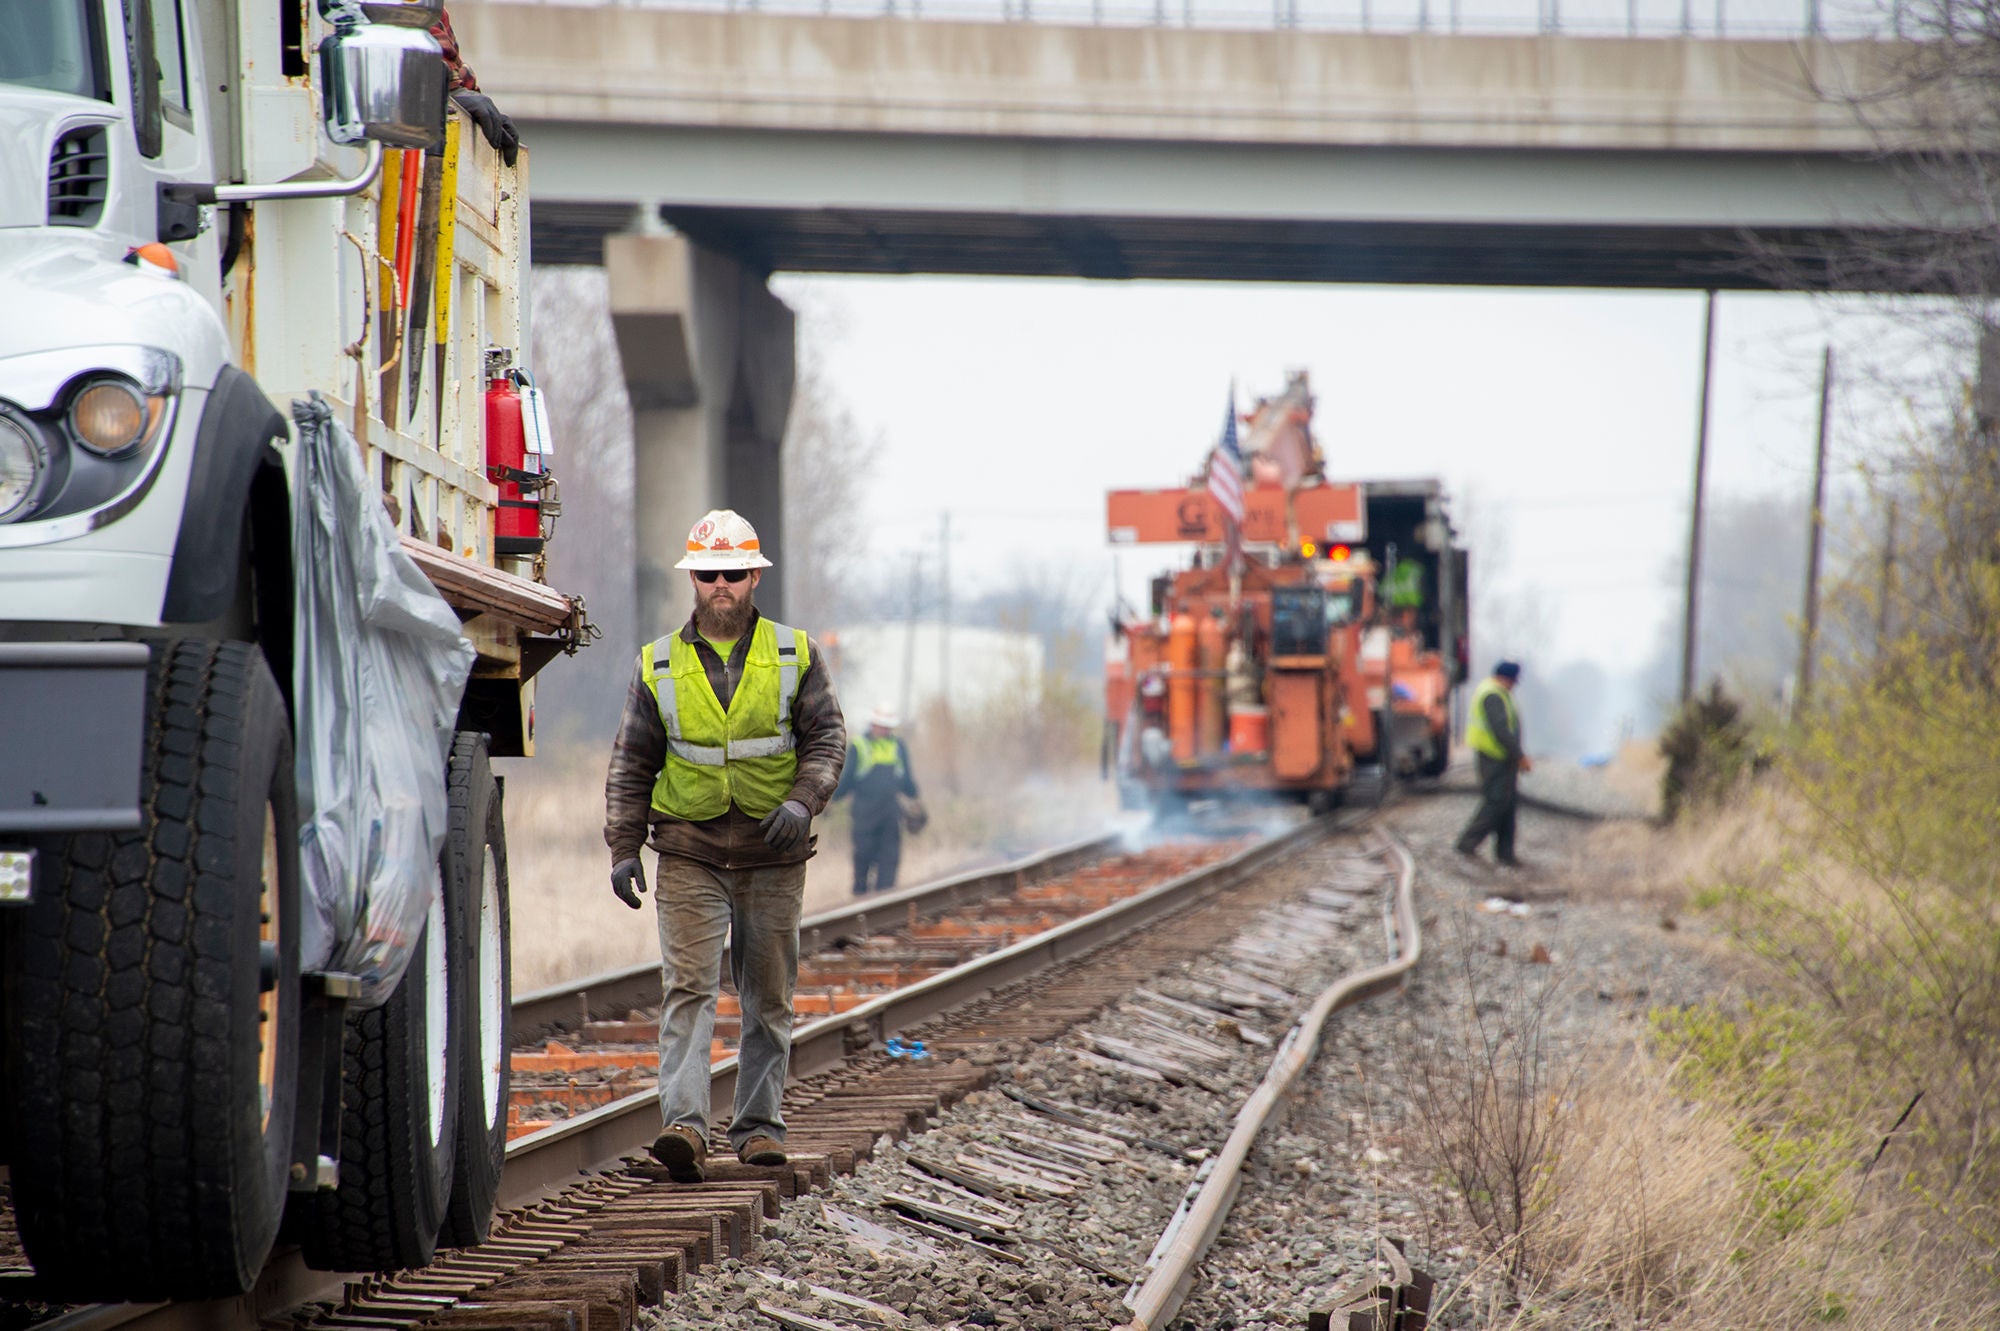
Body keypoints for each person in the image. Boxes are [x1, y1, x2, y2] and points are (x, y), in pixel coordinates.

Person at [602, 510, 846, 1182]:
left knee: (768, 996)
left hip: (774, 855)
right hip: (688, 852)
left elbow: (828, 739)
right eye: (707, 573)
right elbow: (632, 763)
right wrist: (624, 846)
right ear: (693, 579)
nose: (720, 584)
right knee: (688, 990)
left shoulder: (797, 654)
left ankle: (760, 1128)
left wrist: (802, 801)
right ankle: (683, 1126)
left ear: (754, 575)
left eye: (732, 573)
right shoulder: (656, 663)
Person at [833, 706, 921, 896]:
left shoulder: (898, 746)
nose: (884, 730)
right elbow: (846, 779)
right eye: (881, 725)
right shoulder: (858, 745)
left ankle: (884, 905)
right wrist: (831, 799)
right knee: (862, 861)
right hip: (864, 815)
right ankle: (860, 903)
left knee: (889, 863)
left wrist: (916, 801)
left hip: (890, 815)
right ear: (873, 724)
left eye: (887, 726)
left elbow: (907, 781)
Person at [1455, 660, 1532, 868]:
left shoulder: (1498, 693)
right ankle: (1467, 843)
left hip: (1501, 757)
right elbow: (1501, 730)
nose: (1514, 685)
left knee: (1507, 804)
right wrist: (1519, 755)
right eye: (1513, 681)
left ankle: (1505, 854)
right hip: (1493, 757)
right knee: (1496, 802)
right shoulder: (1493, 694)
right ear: (1506, 678)